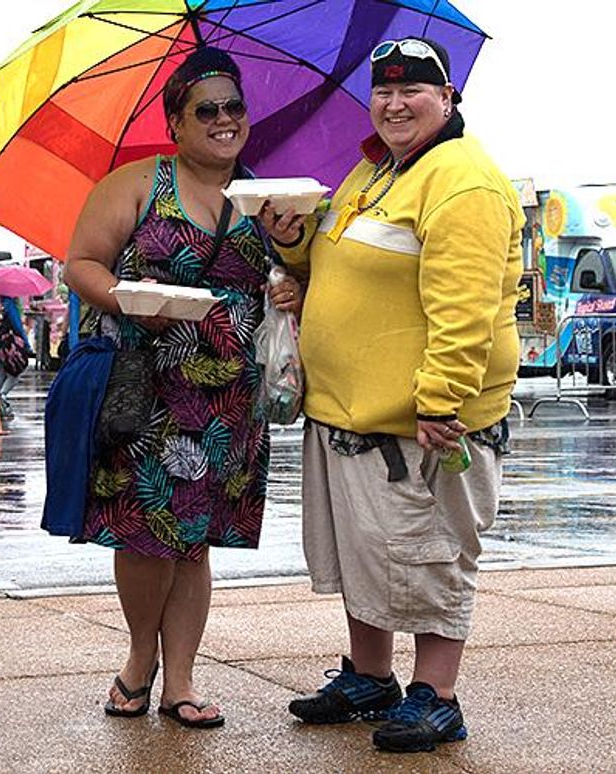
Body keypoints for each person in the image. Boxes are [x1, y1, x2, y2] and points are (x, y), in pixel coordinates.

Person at [265, 38, 522, 753]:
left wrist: (441, 398)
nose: (395, 103)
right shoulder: (374, 170)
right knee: (365, 556)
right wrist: (294, 254)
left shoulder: (462, 181)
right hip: (349, 416)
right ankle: (371, 677)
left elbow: (466, 308)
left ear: (449, 99)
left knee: (430, 554)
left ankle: (437, 696)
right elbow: (340, 261)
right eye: (384, 91)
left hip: (420, 426)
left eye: (414, 90)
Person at [63, 47, 302, 729]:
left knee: (194, 541)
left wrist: (291, 282)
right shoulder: (140, 183)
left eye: (235, 107)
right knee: (147, 534)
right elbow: (80, 262)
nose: (224, 120)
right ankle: (140, 661)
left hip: (231, 398)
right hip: (151, 390)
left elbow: (292, 281)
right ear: (177, 122)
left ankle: (183, 680)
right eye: (208, 109)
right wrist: (128, 299)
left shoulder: (267, 198)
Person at [0, 294, 32, 420]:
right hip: (6, 344)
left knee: (1, 374)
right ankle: (1, 397)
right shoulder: (8, 305)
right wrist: (26, 343)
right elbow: (17, 326)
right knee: (14, 375)